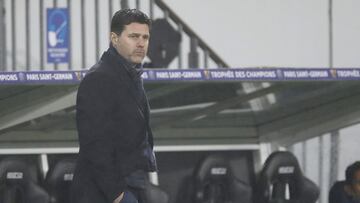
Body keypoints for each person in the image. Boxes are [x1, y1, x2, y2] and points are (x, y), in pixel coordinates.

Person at [70, 9, 157, 203]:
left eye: (145, 37)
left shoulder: (131, 75)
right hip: (105, 192)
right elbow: (94, 142)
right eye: (133, 36)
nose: (141, 43)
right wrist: (116, 193)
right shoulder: (99, 78)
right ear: (114, 38)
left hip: (131, 184)